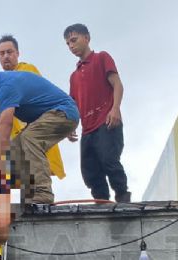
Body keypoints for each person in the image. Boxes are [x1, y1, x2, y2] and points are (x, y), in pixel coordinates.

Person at [0, 57, 79, 205]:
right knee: (15, 151)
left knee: (29, 139)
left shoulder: (6, 86)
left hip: (63, 111)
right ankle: (29, 197)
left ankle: (43, 192)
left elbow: (6, 124)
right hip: (49, 115)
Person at [0, 35, 65, 184]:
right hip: (7, 137)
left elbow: (43, 98)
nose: (6, 56)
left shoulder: (26, 70)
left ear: (17, 53)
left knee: (32, 171)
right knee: (10, 176)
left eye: (10, 52)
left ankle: (40, 199)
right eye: (2, 53)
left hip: (28, 131)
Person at [64, 24, 131, 203]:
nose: (71, 45)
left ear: (87, 38)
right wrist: (70, 126)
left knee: (109, 160)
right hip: (87, 129)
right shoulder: (74, 76)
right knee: (90, 171)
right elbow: (74, 106)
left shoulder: (102, 58)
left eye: (74, 40)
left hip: (106, 121)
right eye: (67, 43)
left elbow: (117, 84)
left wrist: (115, 108)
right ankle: (101, 204)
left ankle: (123, 199)